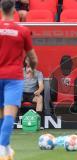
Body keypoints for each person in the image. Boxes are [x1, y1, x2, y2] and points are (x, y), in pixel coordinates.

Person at [0, 0, 37, 159]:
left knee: (2, 114)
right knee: (9, 115)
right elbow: (32, 58)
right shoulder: (22, 30)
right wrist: (32, 68)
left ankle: (6, 147)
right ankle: (2, 148)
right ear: (14, 9)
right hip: (13, 77)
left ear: (1, 9)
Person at [22, 56, 44, 129]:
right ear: (25, 61)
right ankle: (15, 121)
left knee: (40, 98)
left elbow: (41, 86)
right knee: (14, 98)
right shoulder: (20, 71)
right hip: (21, 93)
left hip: (32, 94)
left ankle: (39, 123)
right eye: (27, 60)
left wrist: (39, 91)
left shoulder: (38, 73)